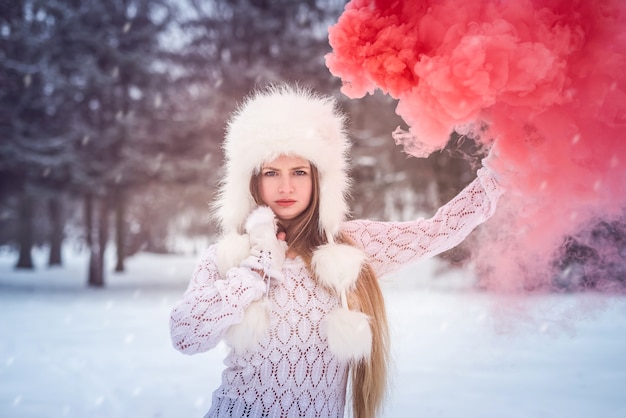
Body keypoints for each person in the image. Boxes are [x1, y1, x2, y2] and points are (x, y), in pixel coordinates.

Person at [169, 84, 504, 418]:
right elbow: (186, 335)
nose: (286, 187)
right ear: (253, 181)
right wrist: (252, 274)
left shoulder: (352, 247)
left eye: (299, 172)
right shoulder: (229, 256)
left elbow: (437, 231)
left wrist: (497, 175)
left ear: (319, 180)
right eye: (272, 173)